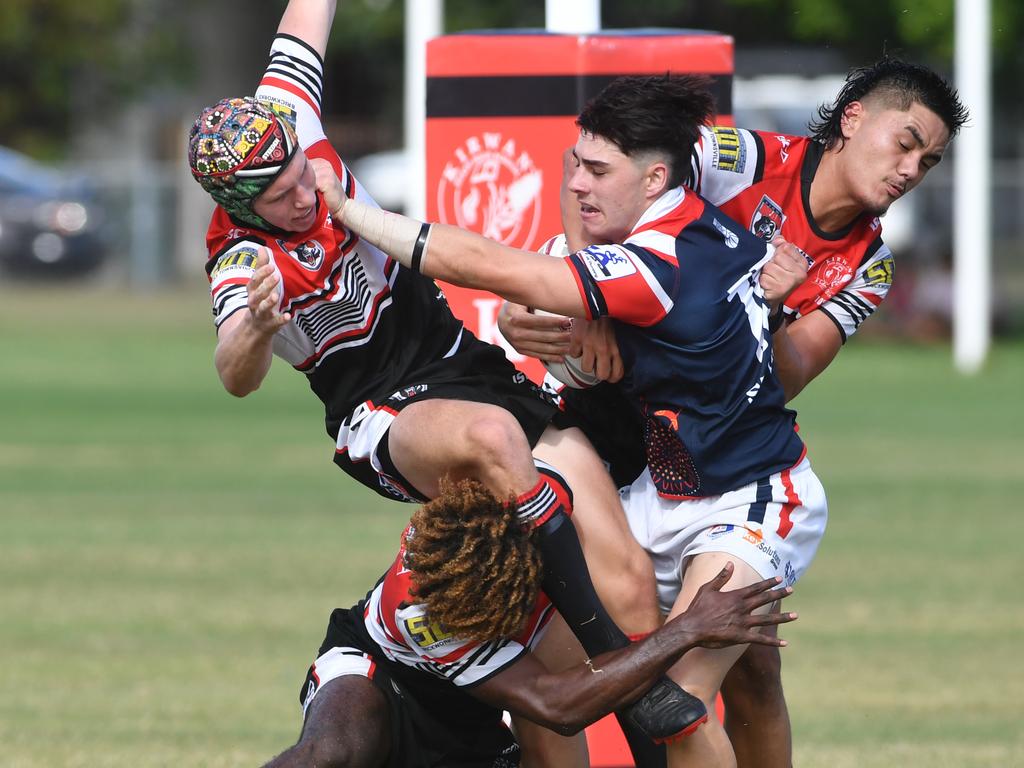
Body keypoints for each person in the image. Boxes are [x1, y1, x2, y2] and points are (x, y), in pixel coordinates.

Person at [186, 0, 698, 759]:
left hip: (465, 365)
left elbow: (305, 18)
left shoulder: (282, 118)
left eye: (302, 173)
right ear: (240, 207)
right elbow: (233, 370)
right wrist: (259, 328)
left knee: (624, 578)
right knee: (492, 442)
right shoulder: (241, 261)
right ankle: (633, 685)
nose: (303, 195)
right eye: (280, 196)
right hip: (379, 412)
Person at [314, 73, 828, 768]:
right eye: (575, 163)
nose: (578, 184)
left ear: (653, 181)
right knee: (660, 676)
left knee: (673, 700)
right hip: (656, 495)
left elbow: (490, 265)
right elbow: (532, 303)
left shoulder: (653, 267)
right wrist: (544, 319)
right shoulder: (694, 223)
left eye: (596, 170)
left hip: (751, 498)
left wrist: (351, 211)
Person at [498, 57, 968, 766]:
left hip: (709, 450)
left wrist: (766, 303)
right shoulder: (741, 160)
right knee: (550, 663)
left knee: (740, 674)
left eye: (928, 161)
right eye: (905, 142)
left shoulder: (867, 262)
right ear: (853, 119)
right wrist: (586, 299)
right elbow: (598, 167)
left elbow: (788, 374)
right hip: (613, 426)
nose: (911, 169)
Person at [264, 471, 797, 767]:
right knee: (332, 753)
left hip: (472, 721)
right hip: (386, 676)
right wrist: (686, 628)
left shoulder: (530, 512)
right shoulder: (423, 612)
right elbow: (556, 704)